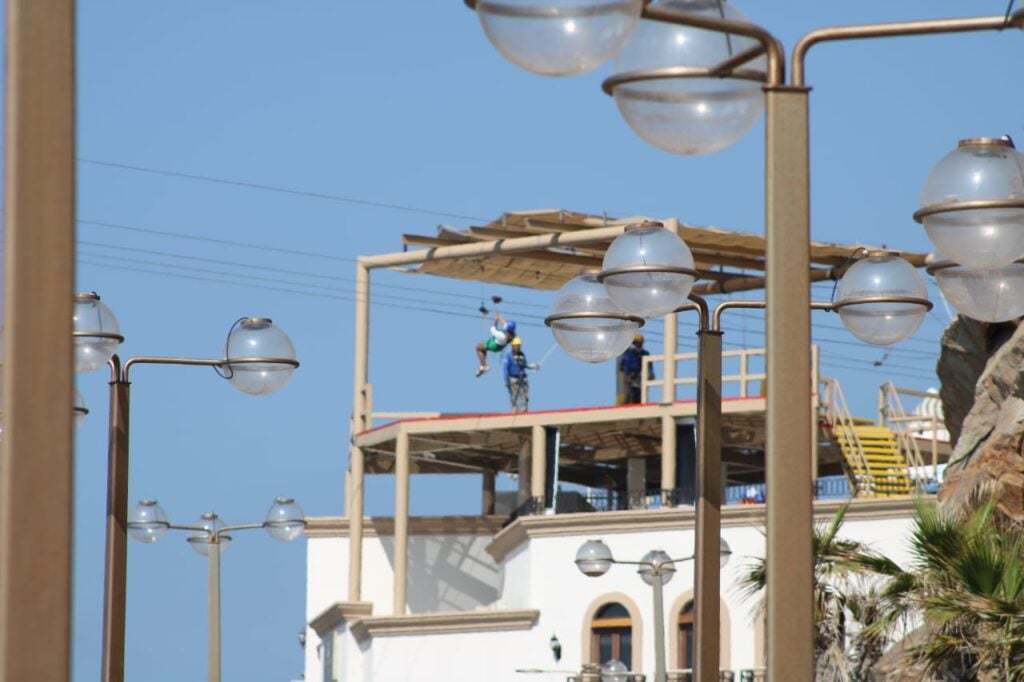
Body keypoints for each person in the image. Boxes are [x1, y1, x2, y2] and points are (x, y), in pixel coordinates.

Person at [503, 337, 539, 412]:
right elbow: (506, 369)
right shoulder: (508, 356)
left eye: (519, 345)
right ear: (512, 346)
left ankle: (524, 411)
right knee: (514, 397)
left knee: (524, 396)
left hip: (522, 378)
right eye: (516, 345)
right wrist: (506, 380)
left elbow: (524, 365)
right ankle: (514, 412)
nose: (518, 347)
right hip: (513, 378)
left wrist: (532, 366)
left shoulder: (522, 354)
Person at [475, 313, 516, 377]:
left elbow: (493, 329)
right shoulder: (512, 334)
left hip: (494, 345)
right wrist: (499, 316)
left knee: (478, 348)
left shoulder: (502, 336)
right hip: (499, 345)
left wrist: (495, 320)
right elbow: (505, 323)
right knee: (483, 348)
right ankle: (483, 366)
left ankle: (484, 366)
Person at [617, 333, 654, 404]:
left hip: (640, 377)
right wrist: (628, 373)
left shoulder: (644, 353)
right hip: (630, 378)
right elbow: (622, 366)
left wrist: (650, 374)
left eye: (639, 343)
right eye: (636, 343)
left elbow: (649, 366)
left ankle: (639, 404)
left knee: (640, 394)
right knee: (628, 394)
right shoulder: (628, 353)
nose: (638, 345)